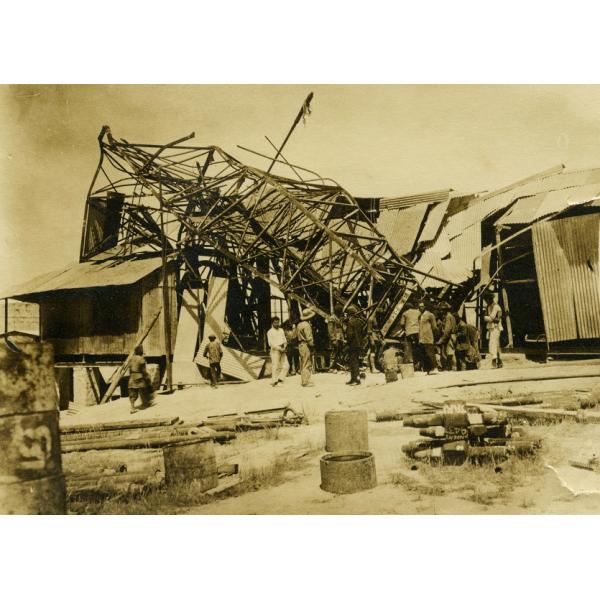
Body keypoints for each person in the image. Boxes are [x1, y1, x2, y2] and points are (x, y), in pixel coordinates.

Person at [128, 345, 154, 413]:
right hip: (139, 376)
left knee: (133, 392)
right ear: (141, 352)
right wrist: (147, 377)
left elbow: (129, 369)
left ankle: (132, 407)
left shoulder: (131, 358)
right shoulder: (141, 359)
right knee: (145, 388)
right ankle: (146, 402)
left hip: (132, 377)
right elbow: (143, 371)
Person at [345, 305, 365, 385]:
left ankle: (355, 379)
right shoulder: (360, 321)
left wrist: (347, 342)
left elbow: (350, 334)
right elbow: (363, 333)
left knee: (353, 362)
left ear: (350, 314)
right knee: (356, 361)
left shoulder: (350, 322)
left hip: (352, 344)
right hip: (359, 343)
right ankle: (353, 379)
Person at [418, 300, 439, 375]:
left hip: (428, 337)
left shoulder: (430, 315)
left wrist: (436, 336)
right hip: (421, 337)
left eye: (422, 306)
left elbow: (434, 327)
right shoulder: (420, 316)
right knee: (424, 354)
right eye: (419, 306)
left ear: (425, 307)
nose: (420, 308)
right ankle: (428, 369)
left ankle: (435, 368)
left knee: (430, 353)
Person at [267, 316, 289, 386]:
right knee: (275, 366)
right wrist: (279, 348)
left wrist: (284, 347)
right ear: (272, 323)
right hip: (275, 350)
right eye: (275, 323)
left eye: (278, 322)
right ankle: (274, 381)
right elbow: (270, 343)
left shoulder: (281, 330)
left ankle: (280, 379)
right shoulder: (270, 332)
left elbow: (284, 340)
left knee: (286, 365)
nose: (277, 324)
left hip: (283, 349)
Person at [296, 308, 316, 387]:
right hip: (305, 345)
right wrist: (312, 346)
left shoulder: (299, 324)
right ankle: (305, 382)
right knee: (307, 363)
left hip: (301, 345)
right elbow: (309, 338)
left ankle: (305, 380)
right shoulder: (307, 325)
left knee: (303, 363)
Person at [484, 292, 503, 368]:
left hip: (496, 327)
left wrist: (489, 318)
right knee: (496, 344)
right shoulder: (488, 307)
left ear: (491, 299)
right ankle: (499, 362)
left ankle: (494, 360)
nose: (486, 301)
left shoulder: (497, 307)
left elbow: (497, 319)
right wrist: (490, 318)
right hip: (490, 327)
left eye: (487, 300)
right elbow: (485, 317)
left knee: (493, 343)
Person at [399, 302, 421, 368]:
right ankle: (419, 363)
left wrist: (405, 329)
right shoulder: (418, 312)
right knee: (418, 347)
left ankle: (411, 363)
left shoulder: (405, 313)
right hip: (418, 331)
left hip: (409, 332)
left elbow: (402, 324)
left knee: (408, 348)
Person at [438, 302, 457, 371]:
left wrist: (442, 339)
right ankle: (451, 367)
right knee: (449, 352)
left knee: (449, 353)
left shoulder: (448, 317)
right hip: (450, 336)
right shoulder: (449, 316)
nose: (440, 311)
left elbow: (447, 330)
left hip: (449, 337)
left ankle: (450, 367)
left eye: (442, 310)